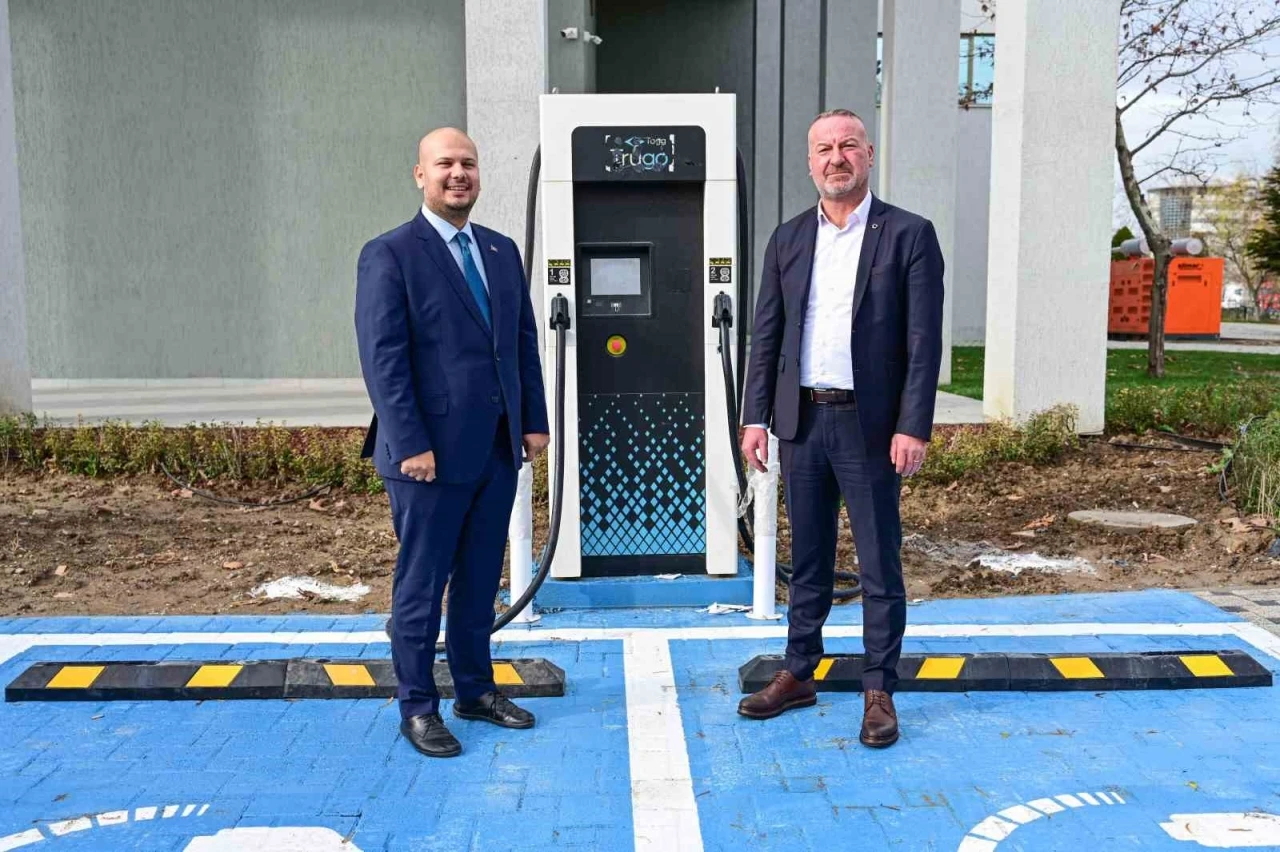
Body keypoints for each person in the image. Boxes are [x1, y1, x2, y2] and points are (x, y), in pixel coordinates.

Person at [736, 108, 944, 748]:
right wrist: (754, 416)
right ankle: (799, 671)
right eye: (824, 148)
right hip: (801, 422)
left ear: (868, 154)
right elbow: (767, 334)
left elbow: (923, 341)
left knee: (879, 560)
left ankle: (879, 688)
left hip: (870, 425)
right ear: (810, 162)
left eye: (848, 146)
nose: (836, 158)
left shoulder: (909, 234)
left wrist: (913, 425)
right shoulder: (788, 238)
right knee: (808, 558)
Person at [354, 127, 549, 759]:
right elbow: (383, 359)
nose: (458, 173)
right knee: (422, 584)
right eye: (445, 164)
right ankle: (417, 706)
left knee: (479, 579)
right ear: (420, 174)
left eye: (468, 163)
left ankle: (475, 690)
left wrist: (533, 419)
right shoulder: (390, 254)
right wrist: (410, 441)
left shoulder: (500, 250)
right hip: (426, 458)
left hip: (495, 449)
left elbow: (521, 343)